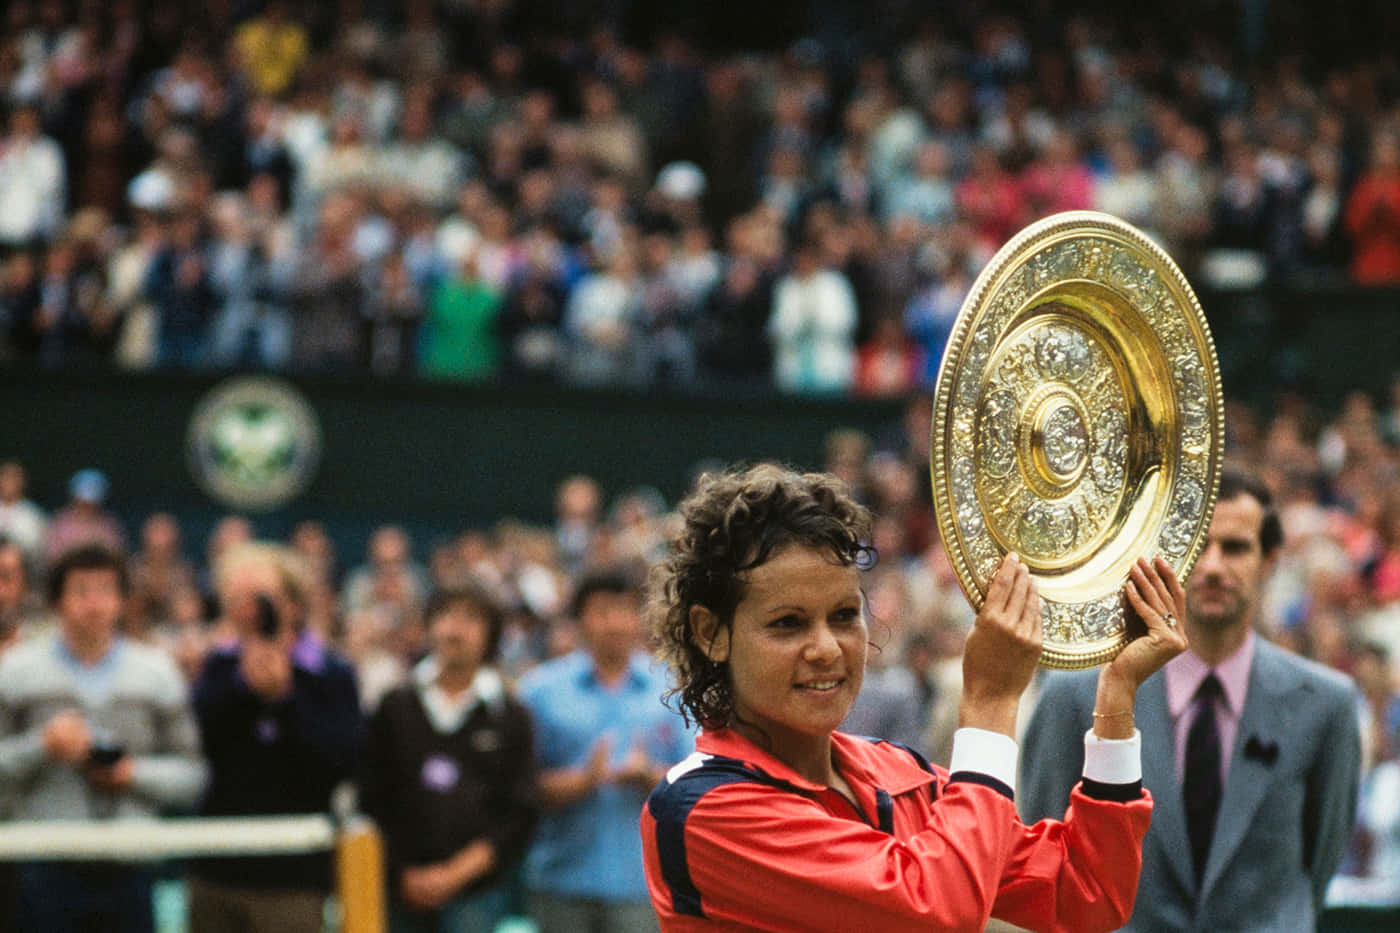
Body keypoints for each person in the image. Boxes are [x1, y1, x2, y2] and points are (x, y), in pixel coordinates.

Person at [640, 463, 1188, 931]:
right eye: (787, 624)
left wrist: (1116, 696)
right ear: (711, 632)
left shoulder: (897, 772)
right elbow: (933, 916)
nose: (827, 648)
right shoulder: (702, 809)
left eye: (844, 616)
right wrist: (991, 702)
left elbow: (1087, 894)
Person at [1020, 467, 1363, 932]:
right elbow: (1046, 867)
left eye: (1236, 548)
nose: (1214, 566)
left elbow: (1319, 863)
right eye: (1198, 544)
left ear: (1270, 560)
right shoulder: (1075, 696)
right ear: (1164, 554)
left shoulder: (1326, 704)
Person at [0, 544, 206, 933]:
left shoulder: (157, 672)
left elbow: (192, 775)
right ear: (57, 600)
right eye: (80, 591)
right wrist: (43, 746)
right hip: (44, 863)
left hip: (129, 864)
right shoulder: (15, 671)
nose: (94, 604)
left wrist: (132, 774)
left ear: (123, 601)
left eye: (106, 590)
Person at [187, 542, 363, 933]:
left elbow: (339, 762)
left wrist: (285, 700)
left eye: (259, 598)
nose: (248, 611)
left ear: (293, 604)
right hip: (218, 867)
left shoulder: (331, 674)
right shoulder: (219, 667)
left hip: (293, 876)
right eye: (236, 599)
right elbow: (201, 745)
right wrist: (242, 690)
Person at [520, 568, 693, 933]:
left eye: (625, 610)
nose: (614, 623)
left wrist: (650, 777)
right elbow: (521, 788)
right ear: (580, 620)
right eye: (601, 611)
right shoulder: (539, 691)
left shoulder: (672, 692)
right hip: (559, 882)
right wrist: (584, 781)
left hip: (643, 885)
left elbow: (695, 783)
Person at [361, 582, 540, 933]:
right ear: (429, 625)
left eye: (471, 618)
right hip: (400, 891)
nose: (455, 628)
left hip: (478, 895)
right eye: (446, 615)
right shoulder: (395, 704)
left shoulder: (510, 714)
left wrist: (457, 873)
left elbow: (520, 810)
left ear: (491, 634)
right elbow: (372, 797)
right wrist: (403, 872)